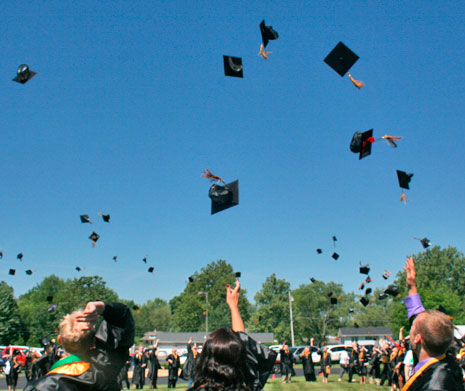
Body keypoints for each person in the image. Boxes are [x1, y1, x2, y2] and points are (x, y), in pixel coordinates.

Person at [24, 301, 135, 391]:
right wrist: (100, 307)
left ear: (59, 340)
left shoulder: (42, 387)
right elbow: (122, 322)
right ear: (93, 342)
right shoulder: (105, 371)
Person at [187, 280, 276, 391]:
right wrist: (234, 307)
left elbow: (243, 344)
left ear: (206, 359)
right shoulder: (247, 386)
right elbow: (244, 345)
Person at [401, 257, 464, 390]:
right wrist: (411, 286)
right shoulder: (442, 362)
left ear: (418, 338)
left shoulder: (437, 385)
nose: (412, 320)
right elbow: (418, 315)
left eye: (412, 326)